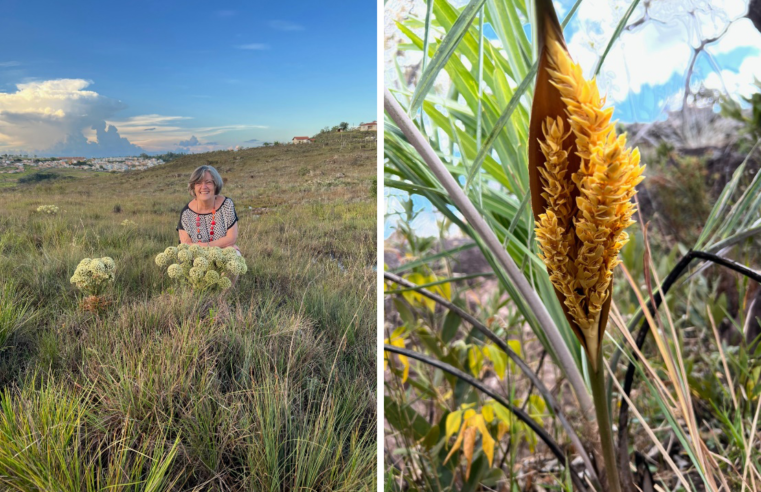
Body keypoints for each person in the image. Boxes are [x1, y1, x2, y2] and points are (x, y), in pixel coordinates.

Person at [177, 165, 240, 252]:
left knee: (235, 253)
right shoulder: (186, 213)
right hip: (197, 258)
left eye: (208, 182)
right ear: (193, 187)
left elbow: (231, 238)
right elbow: (186, 246)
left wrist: (202, 246)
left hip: (221, 253)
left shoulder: (226, 205)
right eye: (198, 183)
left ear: (215, 185)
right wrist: (221, 245)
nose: (204, 187)